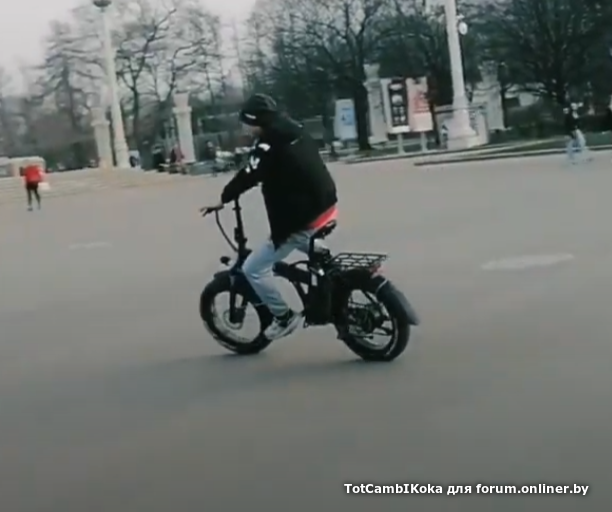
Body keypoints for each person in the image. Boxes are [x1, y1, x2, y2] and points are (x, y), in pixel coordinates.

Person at [202, 93, 338, 341]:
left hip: (302, 217)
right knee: (307, 246)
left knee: (253, 268)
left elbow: (249, 174)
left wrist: (224, 198)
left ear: (256, 121)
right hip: (326, 204)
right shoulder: (294, 128)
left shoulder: (267, 144)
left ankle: (283, 317)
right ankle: (329, 273)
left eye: (246, 123)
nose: (245, 128)